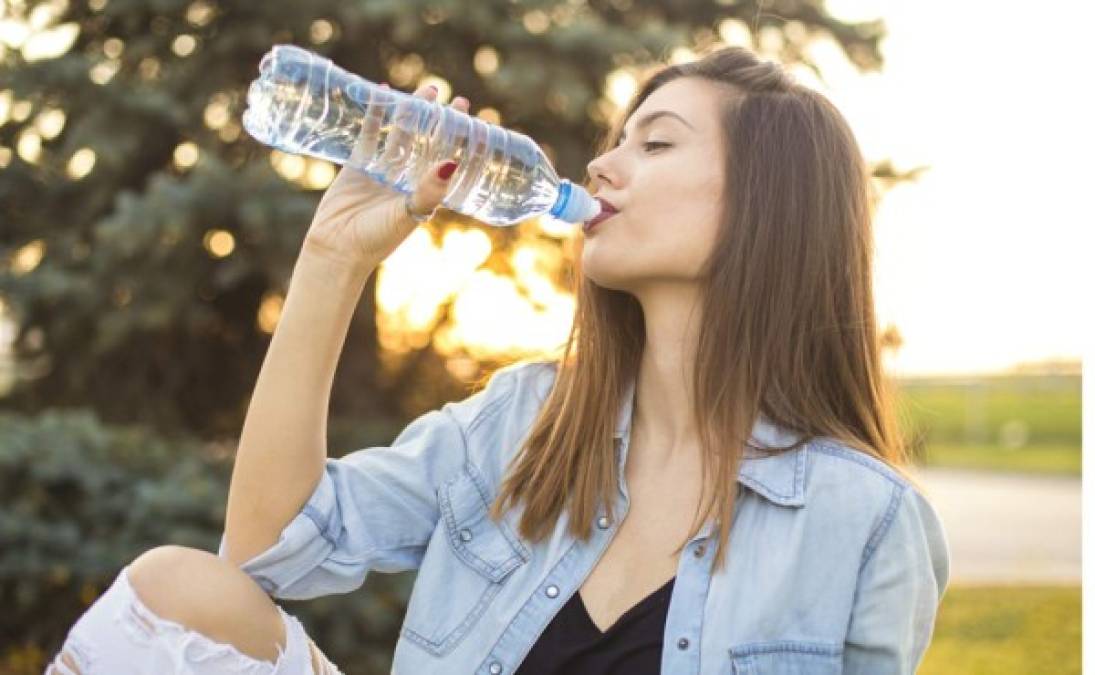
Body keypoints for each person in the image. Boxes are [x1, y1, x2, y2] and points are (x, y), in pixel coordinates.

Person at [46, 46, 950, 675]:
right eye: (616, 138)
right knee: (177, 584)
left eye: (656, 141)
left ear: (767, 200)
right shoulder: (522, 424)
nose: (602, 164)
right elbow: (265, 551)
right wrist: (333, 259)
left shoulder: (864, 521)